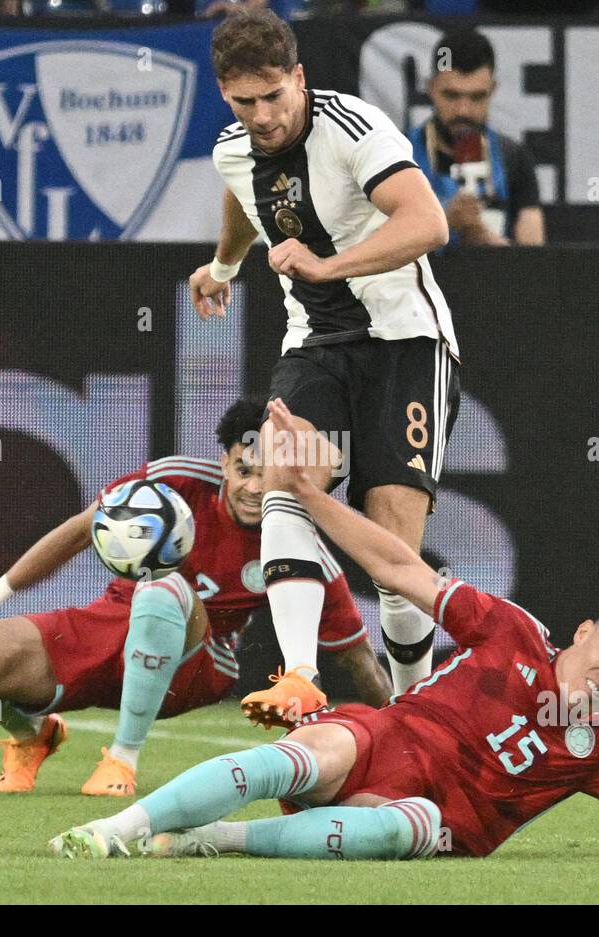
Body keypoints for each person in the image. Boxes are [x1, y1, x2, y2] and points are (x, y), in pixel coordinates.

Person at [44, 398, 599, 861]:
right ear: (584, 634)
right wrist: (311, 500)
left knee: (399, 829)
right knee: (317, 747)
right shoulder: (509, 631)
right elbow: (400, 567)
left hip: (425, 822)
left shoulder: (594, 747)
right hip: (382, 744)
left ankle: (203, 842)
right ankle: (117, 829)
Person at [189, 9, 461, 725]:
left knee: (393, 561)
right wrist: (223, 265)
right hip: (315, 342)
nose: (264, 116)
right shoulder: (234, 150)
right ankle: (302, 675)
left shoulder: (354, 128)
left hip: (406, 342)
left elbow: (428, 223)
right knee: (285, 471)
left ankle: (416, 714)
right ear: (225, 95)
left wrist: (326, 264)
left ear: (299, 77)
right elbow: (245, 196)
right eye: (245, 103)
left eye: (275, 96)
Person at [0, 397, 389, 797]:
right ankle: (33, 736)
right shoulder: (174, 482)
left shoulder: (297, 546)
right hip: (106, 625)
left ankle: (122, 762)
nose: (253, 487)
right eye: (243, 469)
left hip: (194, 664)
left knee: (164, 585)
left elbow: (358, 659)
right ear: (225, 461)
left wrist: (404, 732)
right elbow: (78, 532)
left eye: (268, 474)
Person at [411, 28, 545, 248]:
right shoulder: (397, 153)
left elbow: (535, 263)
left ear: (492, 90)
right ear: (431, 88)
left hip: (493, 280)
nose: (463, 110)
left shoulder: (513, 158)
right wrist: (443, 223)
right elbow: (373, 249)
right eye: (452, 95)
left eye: (476, 97)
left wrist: (487, 241)